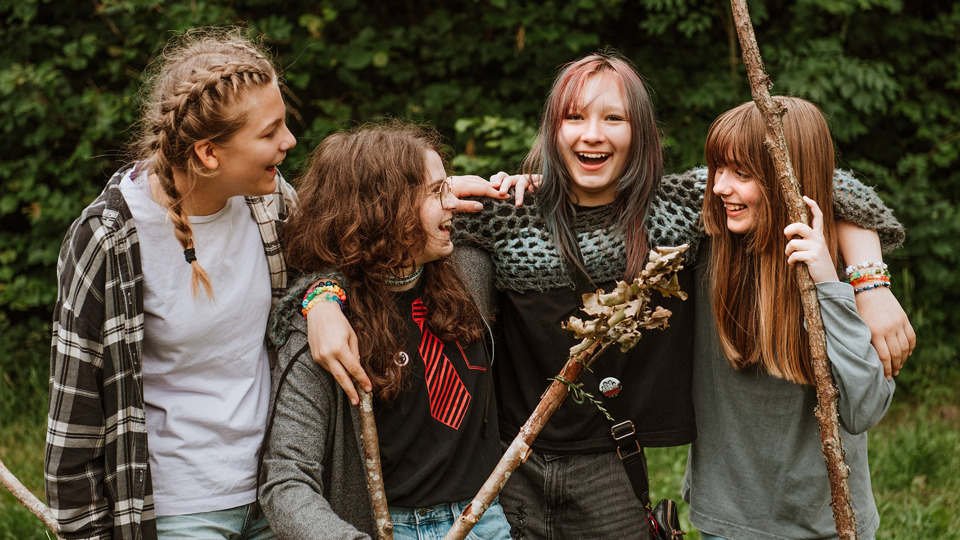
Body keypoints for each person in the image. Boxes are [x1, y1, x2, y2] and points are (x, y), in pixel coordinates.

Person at [299, 52, 913, 539]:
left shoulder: (681, 207)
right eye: (574, 118)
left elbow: (810, 175)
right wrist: (325, 294)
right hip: (512, 463)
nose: (592, 135)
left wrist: (869, 279)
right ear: (552, 129)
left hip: (612, 463)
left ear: (640, 131)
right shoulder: (508, 213)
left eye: (613, 119)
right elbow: (354, 234)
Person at [46, 27, 297, 539]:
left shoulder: (269, 202)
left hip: (279, 490)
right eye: (270, 132)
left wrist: (438, 194)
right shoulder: (109, 238)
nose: (289, 142)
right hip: (181, 507)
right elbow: (75, 411)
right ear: (208, 154)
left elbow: (337, 259)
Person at [259, 122, 511, 540]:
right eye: (437, 191)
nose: (452, 201)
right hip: (386, 528)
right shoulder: (324, 333)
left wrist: (525, 186)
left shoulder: (471, 271)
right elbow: (286, 484)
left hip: (484, 519)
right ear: (382, 209)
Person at [683, 96, 895, 539]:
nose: (720, 186)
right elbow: (622, 196)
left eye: (742, 174)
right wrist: (546, 185)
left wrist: (831, 284)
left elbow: (865, 408)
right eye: (718, 169)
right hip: (727, 519)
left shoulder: (846, 271)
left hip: (828, 521)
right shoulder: (704, 246)